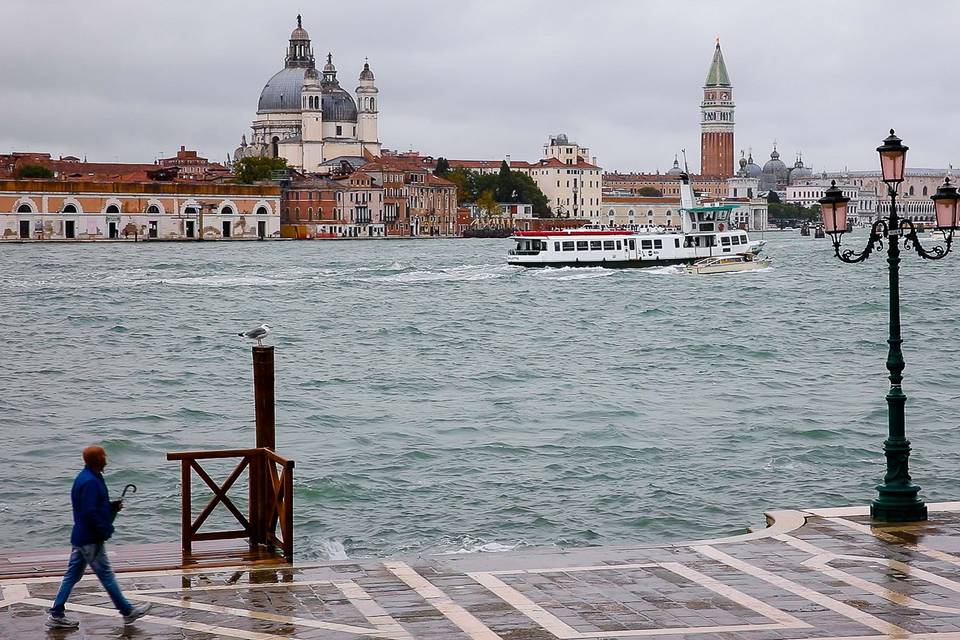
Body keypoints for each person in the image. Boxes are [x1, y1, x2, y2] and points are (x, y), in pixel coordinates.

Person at [46, 446, 151, 629]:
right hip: (90, 538)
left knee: (72, 575)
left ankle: (56, 613)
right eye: (103, 455)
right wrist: (105, 529)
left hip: (81, 536)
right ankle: (127, 612)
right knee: (106, 575)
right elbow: (89, 512)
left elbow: (91, 506)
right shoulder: (91, 482)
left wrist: (110, 507)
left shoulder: (87, 477)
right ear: (97, 460)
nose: (106, 458)